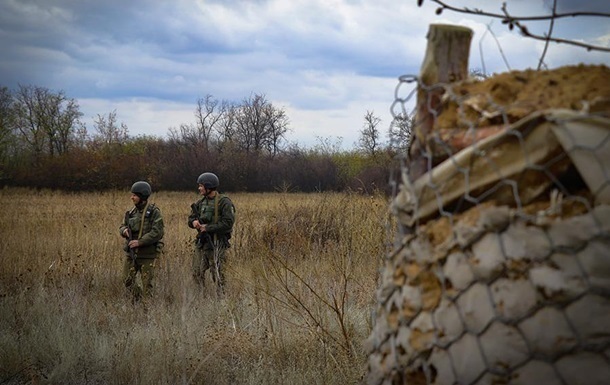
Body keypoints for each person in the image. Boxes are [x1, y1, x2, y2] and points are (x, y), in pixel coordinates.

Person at [188, 172, 235, 294]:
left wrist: (207, 228)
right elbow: (190, 219)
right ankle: (201, 296)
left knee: (219, 276)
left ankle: (221, 299)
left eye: (201, 186)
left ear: (209, 187)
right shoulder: (200, 203)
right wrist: (194, 223)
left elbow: (228, 223)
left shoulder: (224, 202)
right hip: (202, 244)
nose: (199, 188)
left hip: (217, 244)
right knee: (196, 272)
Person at [119, 181, 164, 301]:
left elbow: (157, 232)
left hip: (147, 255)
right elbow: (122, 225)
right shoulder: (131, 212)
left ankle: (146, 310)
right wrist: (124, 231)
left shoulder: (154, 212)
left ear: (142, 196)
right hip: (132, 254)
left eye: (134, 195)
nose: (131, 197)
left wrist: (140, 242)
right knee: (126, 280)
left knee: (147, 285)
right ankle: (137, 298)